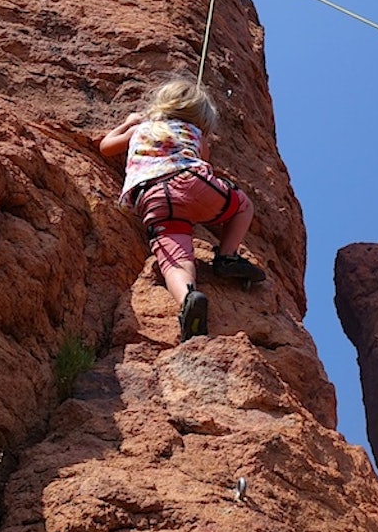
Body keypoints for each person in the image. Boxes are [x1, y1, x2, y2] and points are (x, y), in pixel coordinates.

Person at [99, 75, 265, 341]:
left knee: (175, 259)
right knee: (243, 205)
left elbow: (106, 148)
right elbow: (203, 158)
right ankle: (227, 256)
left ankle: (189, 298)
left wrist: (129, 123)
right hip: (193, 183)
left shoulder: (140, 129)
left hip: (154, 197)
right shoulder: (196, 134)